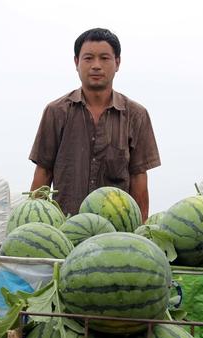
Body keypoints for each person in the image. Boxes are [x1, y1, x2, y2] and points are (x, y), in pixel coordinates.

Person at [29, 28, 161, 221]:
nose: (96, 66)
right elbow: (44, 171)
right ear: (76, 62)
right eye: (88, 58)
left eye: (105, 58)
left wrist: (140, 229)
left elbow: (138, 178)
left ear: (117, 63)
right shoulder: (56, 112)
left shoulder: (136, 115)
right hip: (65, 228)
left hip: (114, 231)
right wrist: (34, 223)